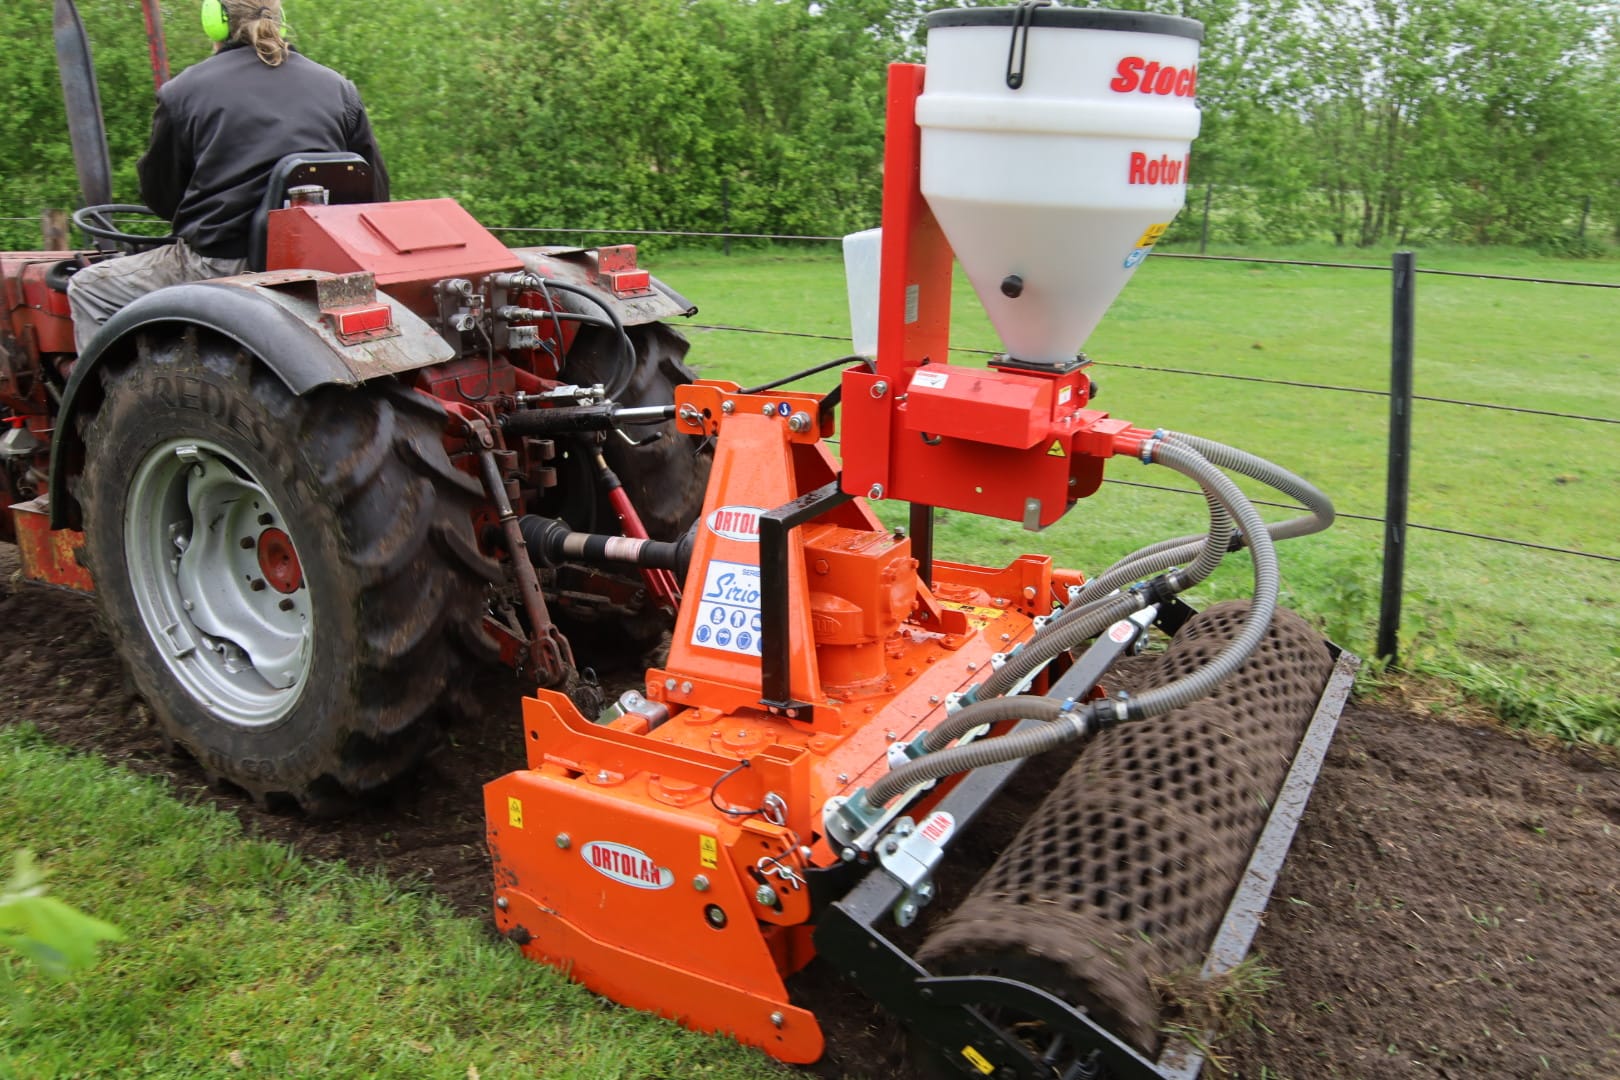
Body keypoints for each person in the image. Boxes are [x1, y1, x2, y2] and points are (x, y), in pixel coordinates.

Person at [66, 0, 389, 352]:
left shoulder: (183, 91)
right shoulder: (339, 88)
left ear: (215, 22)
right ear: (280, 19)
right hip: (318, 263)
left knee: (89, 287)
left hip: (221, 265)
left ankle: (121, 387)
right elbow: (374, 192)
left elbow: (162, 196)